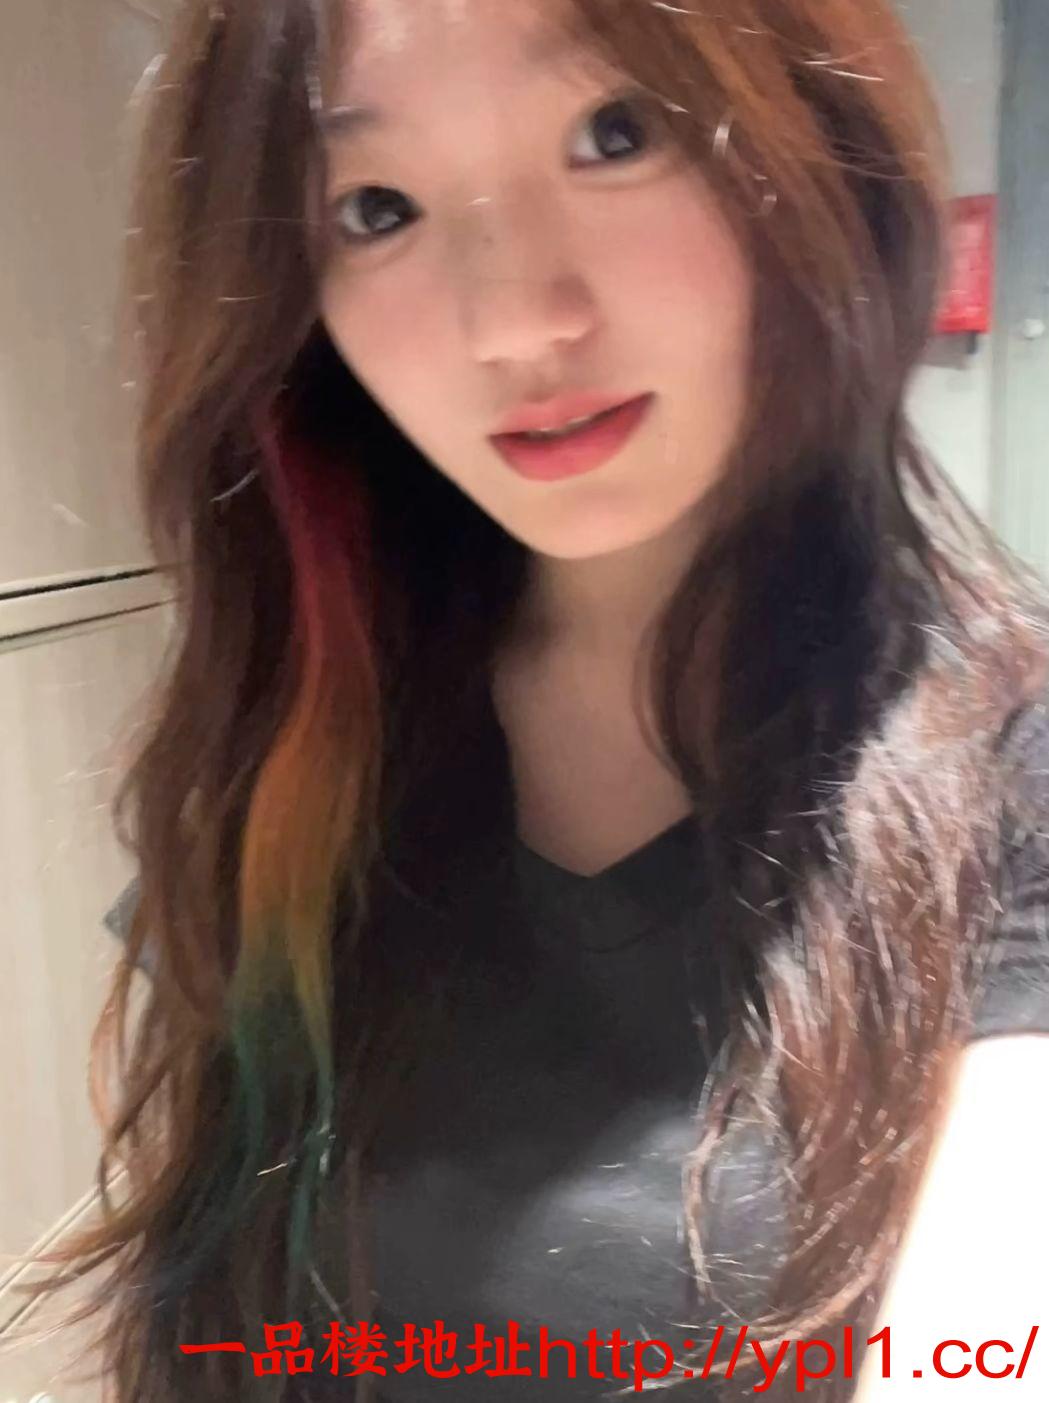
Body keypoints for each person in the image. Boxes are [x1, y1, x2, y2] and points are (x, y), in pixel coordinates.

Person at [20, 0, 1049, 1399]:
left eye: (615, 135)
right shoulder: (300, 752)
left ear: (814, 145)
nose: (514, 321)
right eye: (376, 208)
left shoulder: (1013, 771)